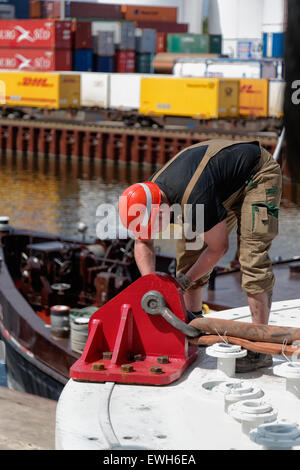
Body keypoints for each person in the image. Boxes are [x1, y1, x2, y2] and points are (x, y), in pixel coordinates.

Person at [119, 139, 282, 372]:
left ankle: (260, 348)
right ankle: (192, 327)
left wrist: (184, 282)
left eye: (156, 225)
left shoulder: (194, 197)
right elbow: (142, 241)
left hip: (256, 176)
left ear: (161, 208)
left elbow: (219, 248)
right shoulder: (149, 192)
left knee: (252, 257)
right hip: (217, 183)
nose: (156, 232)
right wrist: (151, 284)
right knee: (189, 253)